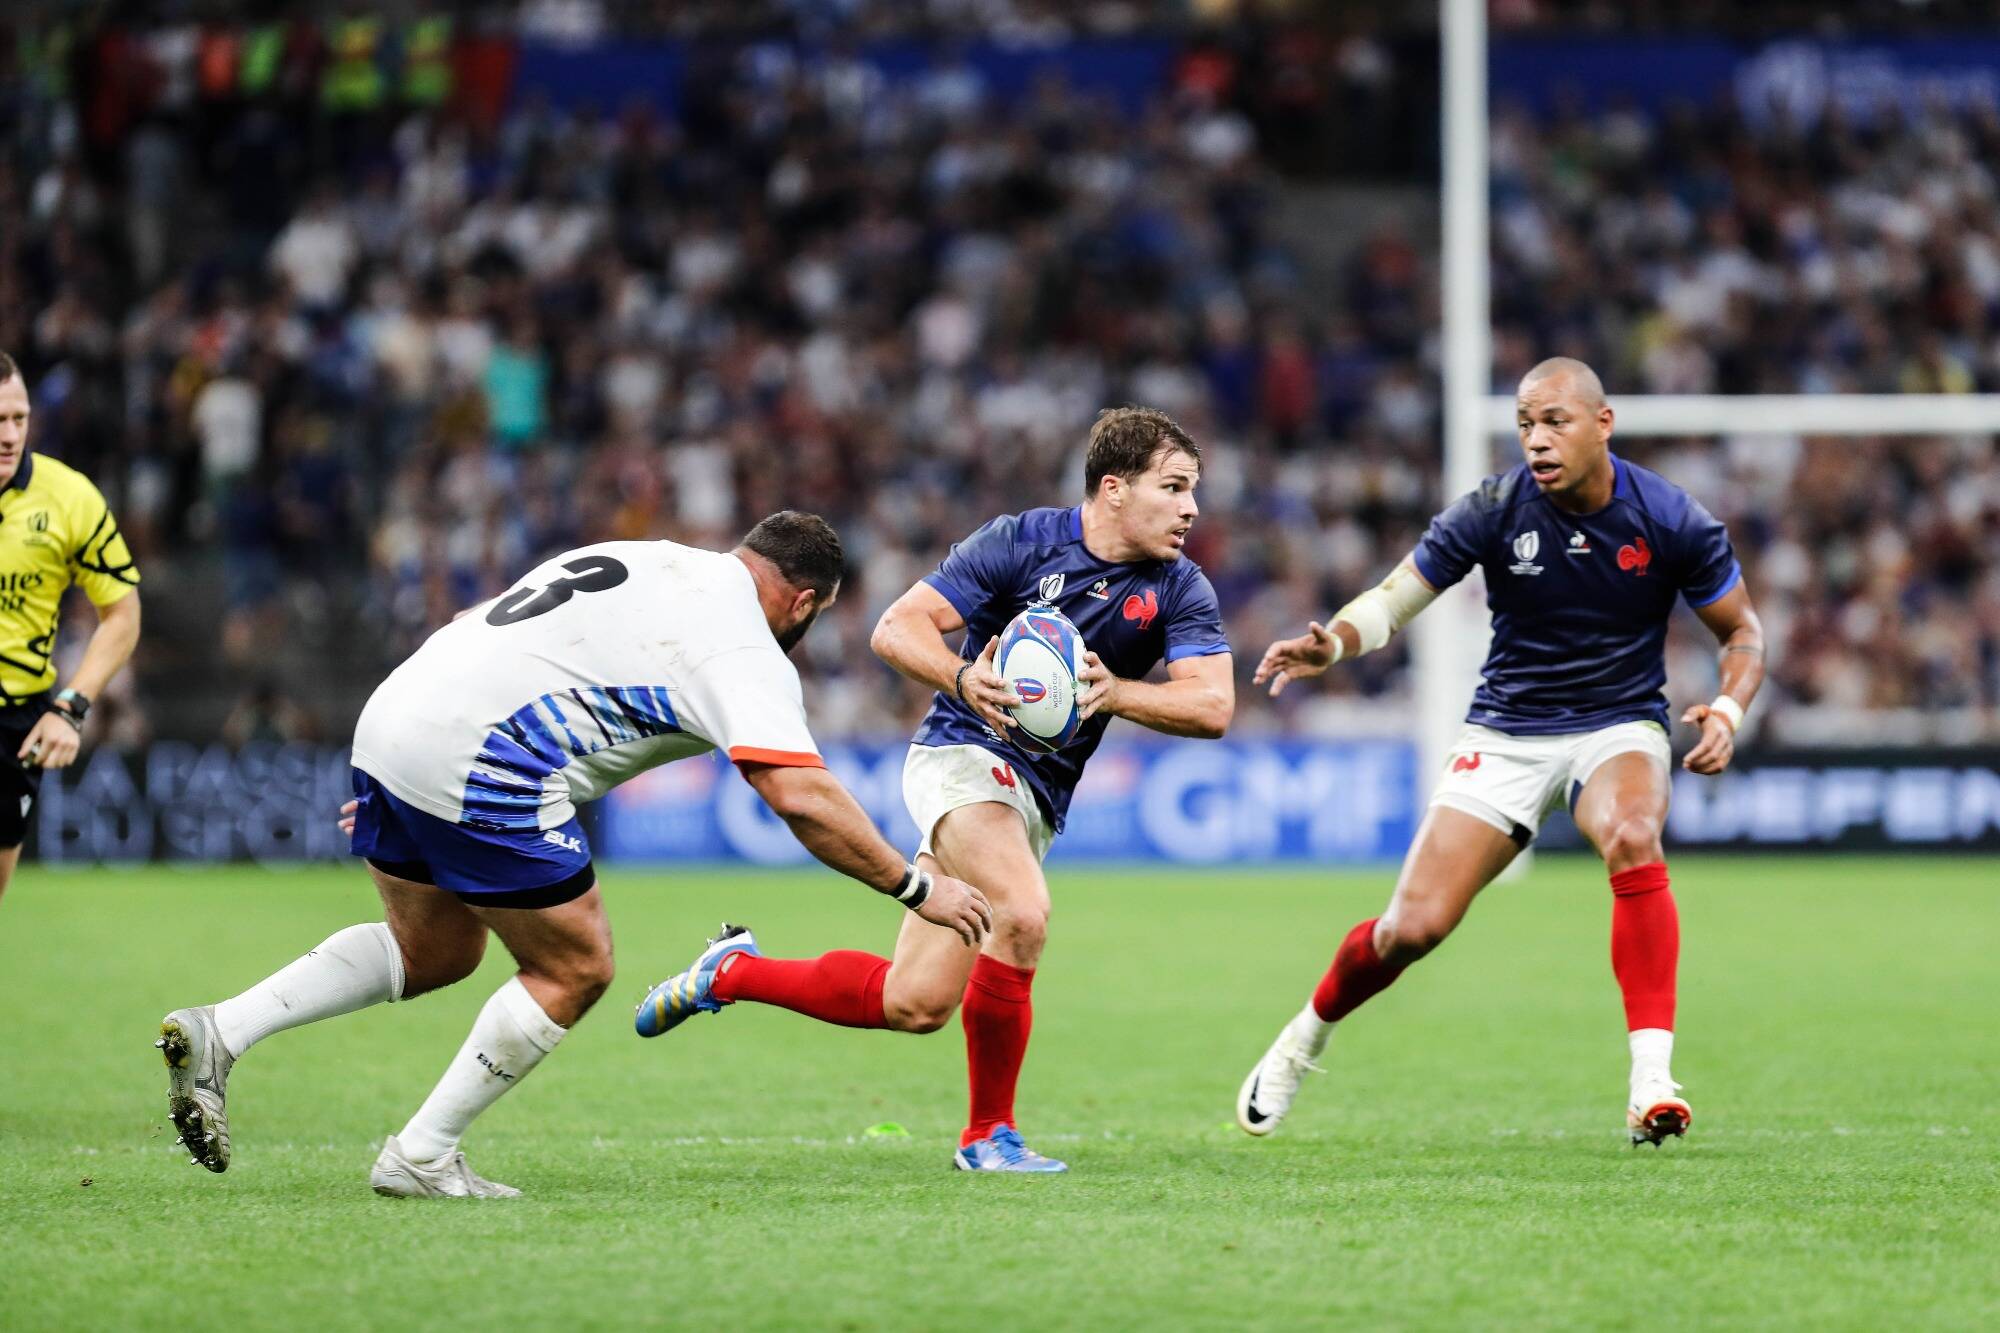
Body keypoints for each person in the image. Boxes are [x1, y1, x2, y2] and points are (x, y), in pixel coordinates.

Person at [157, 512, 991, 1197]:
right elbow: (801, 795)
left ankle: (223, 1030)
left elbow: (472, 624)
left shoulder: (646, 556)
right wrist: (917, 888)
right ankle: (422, 1153)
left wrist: (410, 765)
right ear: (805, 601)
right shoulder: (743, 645)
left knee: (433, 950)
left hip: (397, 714)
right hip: (482, 757)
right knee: (577, 964)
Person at [635, 407, 1234, 1172]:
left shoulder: (1180, 586)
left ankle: (731, 971)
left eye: (1193, 490)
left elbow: (1212, 705)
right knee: (1022, 913)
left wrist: (1115, 692)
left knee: (913, 1002)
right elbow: (897, 627)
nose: (1191, 508)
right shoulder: (1021, 542)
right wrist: (961, 676)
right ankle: (988, 1136)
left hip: (1035, 795)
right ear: (1114, 489)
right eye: (1174, 487)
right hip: (961, 756)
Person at [1236, 357, 1766, 1147]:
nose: (1536, 440)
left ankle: (1652, 1079)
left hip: (1618, 723)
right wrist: (1333, 644)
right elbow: (1395, 599)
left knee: (1632, 834)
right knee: (1410, 930)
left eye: (1554, 421)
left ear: (1602, 424)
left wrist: (1726, 709)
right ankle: (1303, 1036)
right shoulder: (1493, 507)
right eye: (1525, 424)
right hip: (1507, 731)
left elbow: (1743, 632)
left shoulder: (1671, 517)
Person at [0, 352, 143, 910]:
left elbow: (122, 614)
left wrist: (70, 706)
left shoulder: (68, 496)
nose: (9, 436)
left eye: (19, 418)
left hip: (16, 722)